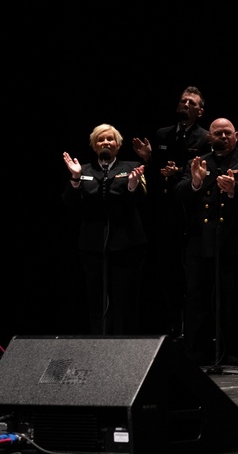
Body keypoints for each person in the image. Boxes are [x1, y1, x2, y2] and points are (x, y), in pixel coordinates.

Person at [176, 118, 238, 367]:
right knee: (197, 303)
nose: (223, 137)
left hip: (235, 244)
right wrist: (195, 182)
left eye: (228, 133)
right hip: (200, 244)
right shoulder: (197, 162)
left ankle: (232, 355)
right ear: (209, 137)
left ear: (236, 135)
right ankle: (197, 356)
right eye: (218, 133)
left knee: (232, 304)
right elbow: (179, 194)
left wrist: (235, 188)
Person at [132, 86, 208, 338]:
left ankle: (195, 330)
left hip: (190, 213)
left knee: (192, 276)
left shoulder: (205, 137)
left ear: (200, 110)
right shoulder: (163, 134)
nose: (185, 105)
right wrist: (149, 160)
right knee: (167, 273)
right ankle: (173, 326)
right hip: (165, 214)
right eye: (183, 101)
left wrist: (180, 173)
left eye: (191, 103)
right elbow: (154, 177)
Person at [62, 124, 147, 335]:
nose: (106, 142)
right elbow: (69, 205)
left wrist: (132, 187)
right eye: (101, 140)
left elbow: (143, 201)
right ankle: (98, 346)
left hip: (127, 244)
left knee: (125, 298)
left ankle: (126, 347)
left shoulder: (132, 166)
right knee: (96, 298)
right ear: (94, 145)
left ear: (118, 145)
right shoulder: (83, 170)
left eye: (110, 139)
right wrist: (74, 179)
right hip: (93, 246)